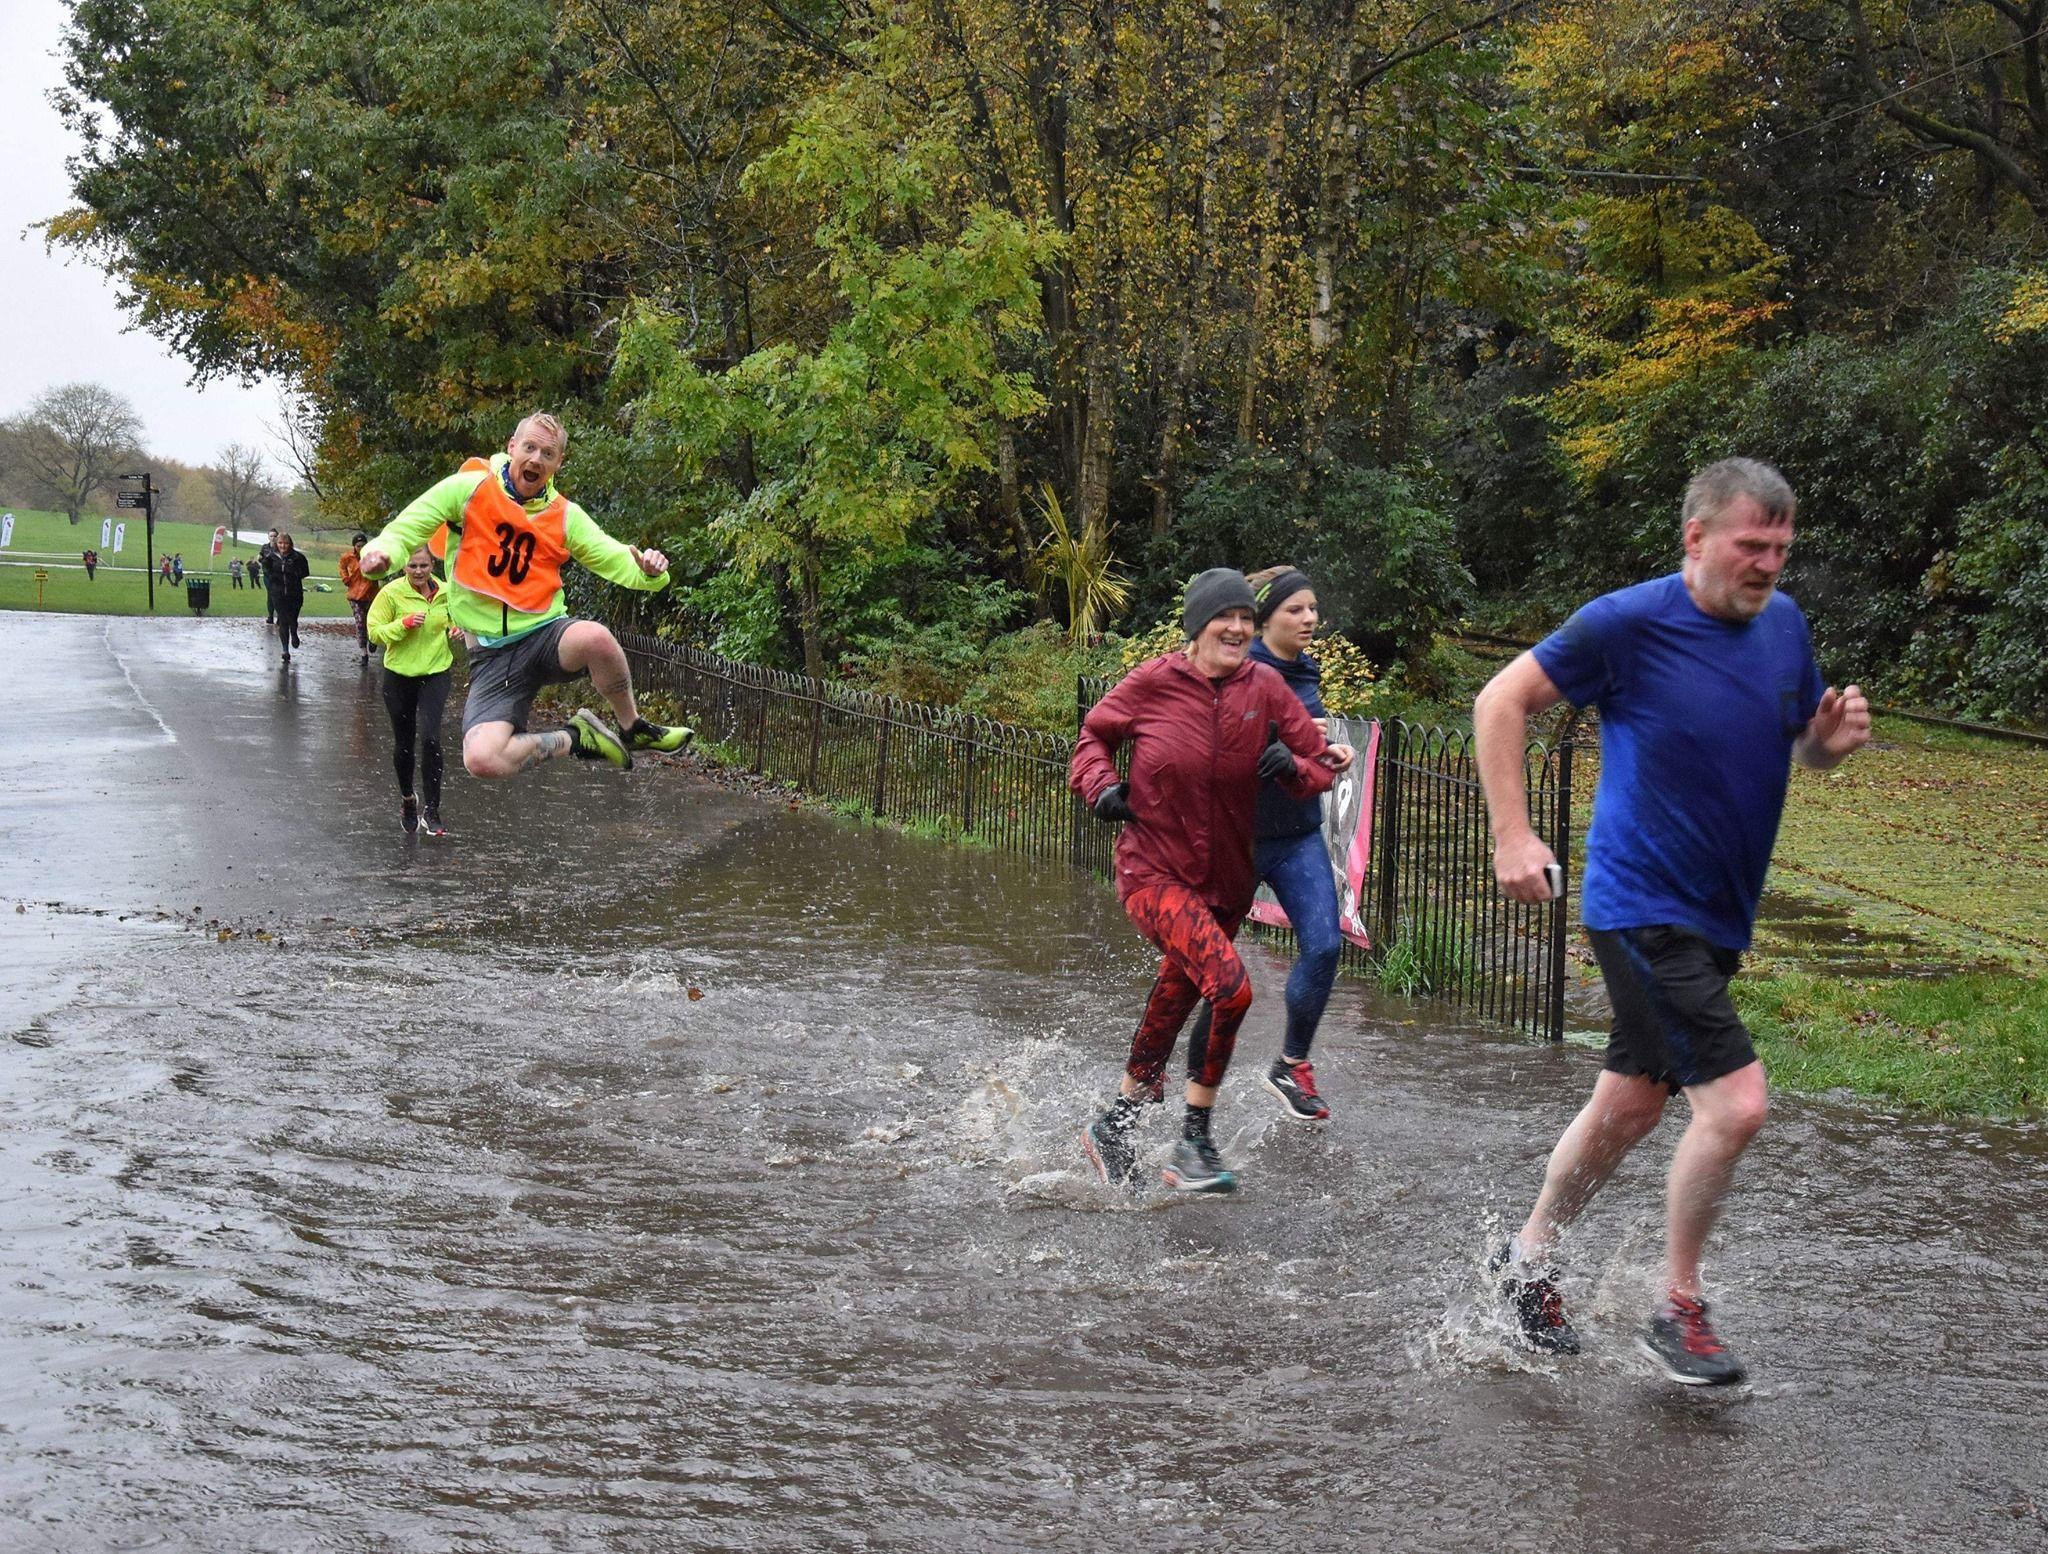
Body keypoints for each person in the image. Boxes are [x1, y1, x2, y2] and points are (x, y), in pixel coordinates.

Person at [1474, 458, 1871, 1387]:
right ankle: (1677, 1306)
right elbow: (1502, 700)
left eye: (1781, 546)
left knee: (1633, 1101)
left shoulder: (1784, 627)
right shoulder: (1628, 623)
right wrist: (1513, 833)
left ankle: (1526, 1263)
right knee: (1735, 1105)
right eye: (1751, 545)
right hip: (1642, 904)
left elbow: (1794, 743)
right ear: (1696, 539)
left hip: (1714, 915)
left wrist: (1828, 744)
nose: (1769, 563)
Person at [1069, 568, 1337, 1194]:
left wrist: (1292, 765)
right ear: (1197, 626)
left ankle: (1115, 1122)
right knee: (1232, 989)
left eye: (1248, 619)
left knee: (1178, 994)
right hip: (1153, 869)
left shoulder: (1266, 686)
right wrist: (1101, 785)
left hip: (1225, 882)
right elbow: (1093, 737)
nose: (1240, 628)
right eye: (1227, 618)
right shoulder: (1153, 682)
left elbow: (1322, 766)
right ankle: (1194, 1140)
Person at [359, 411, 691, 779]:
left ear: (558, 464)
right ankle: (576, 738)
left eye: (547, 454)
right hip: (491, 655)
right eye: (529, 448)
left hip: (545, 634)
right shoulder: (468, 489)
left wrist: (647, 572)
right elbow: (409, 525)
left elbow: (613, 555)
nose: (536, 459)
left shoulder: (565, 515)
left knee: (597, 637)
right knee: (482, 761)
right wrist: (382, 552)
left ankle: (633, 729)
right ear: (512, 447)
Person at [1183, 566, 1357, 1123]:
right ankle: (1176, 1079)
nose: (1309, 619)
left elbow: (1312, 746)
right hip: (1238, 840)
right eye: (1295, 610)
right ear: (1265, 619)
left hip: (1297, 835)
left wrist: (1311, 756)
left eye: (1313, 608)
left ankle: (1291, 1065)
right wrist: (1275, 754)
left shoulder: (1306, 672)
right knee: (1216, 976)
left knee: (1325, 946)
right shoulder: (1239, 668)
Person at [368, 546, 458, 836]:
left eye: (423, 565)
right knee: (404, 743)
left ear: (433, 564)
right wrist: (402, 625)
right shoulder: (391, 594)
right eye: (412, 566)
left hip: (435, 672)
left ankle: (432, 810)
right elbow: (374, 632)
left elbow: (460, 617)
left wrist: (458, 627)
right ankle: (408, 799)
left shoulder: (447, 591)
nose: (418, 572)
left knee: (431, 738)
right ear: (403, 567)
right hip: (399, 675)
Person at [263, 532, 311, 663]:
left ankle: (294, 633)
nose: (283, 546)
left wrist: (293, 574)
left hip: (294, 594)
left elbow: (305, 572)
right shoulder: (271, 557)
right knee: (283, 621)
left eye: (285, 543)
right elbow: (267, 572)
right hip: (278, 594)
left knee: (292, 619)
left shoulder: (298, 557)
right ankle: (285, 650)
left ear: (290, 544)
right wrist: (274, 581)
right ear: (276, 544)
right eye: (280, 543)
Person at [339, 530, 378, 666]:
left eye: (363, 545)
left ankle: (373, 640)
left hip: (371, 594)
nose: (360, 548)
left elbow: (382, 571)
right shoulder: (348, 557)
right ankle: (364, 653)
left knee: (371, 622)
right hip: (355, 596)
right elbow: (342, 567)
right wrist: (345, 578)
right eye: (358, 545)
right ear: (354, 546)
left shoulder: (373, 557)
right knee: (360, 623)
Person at [258, 529, 281, 625]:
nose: (273, 538)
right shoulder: (265, 547)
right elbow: (260, 558)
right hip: (267, 576)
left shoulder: (280, 548)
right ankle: (270, 616)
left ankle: (280, 616)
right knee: (270, 595)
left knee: (278, 595)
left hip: (278, 576)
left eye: (275, 536)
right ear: (268, 536)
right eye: (271, 536)